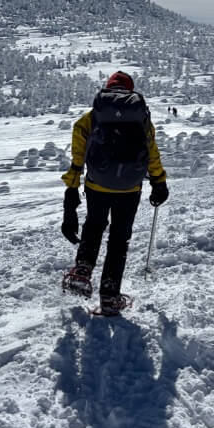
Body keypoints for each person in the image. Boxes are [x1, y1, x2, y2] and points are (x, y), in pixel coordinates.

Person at [60, 71, 169, 315]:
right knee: (119, 239)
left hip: (97, 185)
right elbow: (152, 152)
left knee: (94, 225)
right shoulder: (141, 120)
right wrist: (158, 181)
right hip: (129, 188)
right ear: (130, 91)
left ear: (108, 89)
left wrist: (72, 187)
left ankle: (82, 270)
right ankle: (110, 295)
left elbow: (78, 157)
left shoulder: (90, 119)